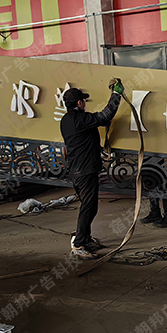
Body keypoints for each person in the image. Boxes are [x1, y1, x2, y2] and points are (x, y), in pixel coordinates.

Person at [60, 82, 123, 259]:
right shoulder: (80, 120)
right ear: (79, 103)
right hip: (84, 172)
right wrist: (116, 95)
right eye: (83, 100)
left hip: (78, 171)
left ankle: (86, 239)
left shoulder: (67, 120)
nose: (84, 103)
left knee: (90, 206)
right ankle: (79, 243)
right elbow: (105, 115)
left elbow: (100, 121)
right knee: (88, 207)